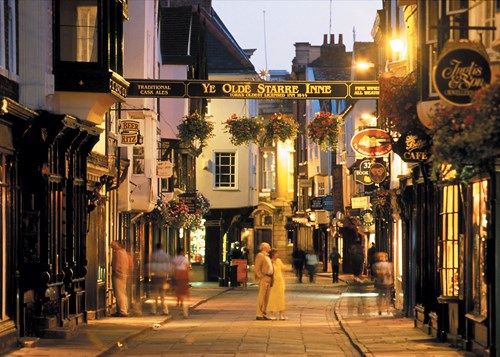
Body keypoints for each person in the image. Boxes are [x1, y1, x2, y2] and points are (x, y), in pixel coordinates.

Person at [149, 243, 171, 315]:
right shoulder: (166, 255)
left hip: (155, 276)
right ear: (162, 247)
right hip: (163, 276)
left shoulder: (154, 255)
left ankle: (153, 310)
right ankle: (165, 310)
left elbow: (151, 265)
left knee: (154, 294)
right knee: (163, 294)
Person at [254, 242, 273, 320]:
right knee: (261, 296)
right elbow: (257, 268)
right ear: (264, 248)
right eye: (269, 246)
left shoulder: (267, 256)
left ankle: (264, 313)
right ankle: (259, 314)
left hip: (269, 277)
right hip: (264, 278)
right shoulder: (260, 255)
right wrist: (261, 277)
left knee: (266, 297)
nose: (270, 248)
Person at [266, 249, 287, 320]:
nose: (277, 255)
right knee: (272, 297)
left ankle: (281, 313)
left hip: (280, 280)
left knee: (281, 297)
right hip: (273, 281)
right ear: (272, 255)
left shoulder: (279, 261)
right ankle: (271, 313)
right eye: (276, 254)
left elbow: (283, 268)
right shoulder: (269, 261)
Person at [111, 241, 130, 317]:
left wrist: (116, 272)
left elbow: (116, 265)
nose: (111, 246)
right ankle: (121, 310)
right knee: (122, 293)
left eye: (113, 244)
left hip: (118, 275)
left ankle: (122, 311)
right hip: (123, 275)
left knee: (119, 294)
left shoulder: (119, 253)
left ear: (118, 245)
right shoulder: (124, 253)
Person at [172, 247, 190, 317]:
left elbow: (173, 267)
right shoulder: (185, 259)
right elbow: (187, 267)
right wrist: (188, 276)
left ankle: (178, 301)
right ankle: (182, 302)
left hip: (177, 273)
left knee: (177, 288)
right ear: (182, 252)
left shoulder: (175, 258)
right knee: (183, 289)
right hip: (183, 274)